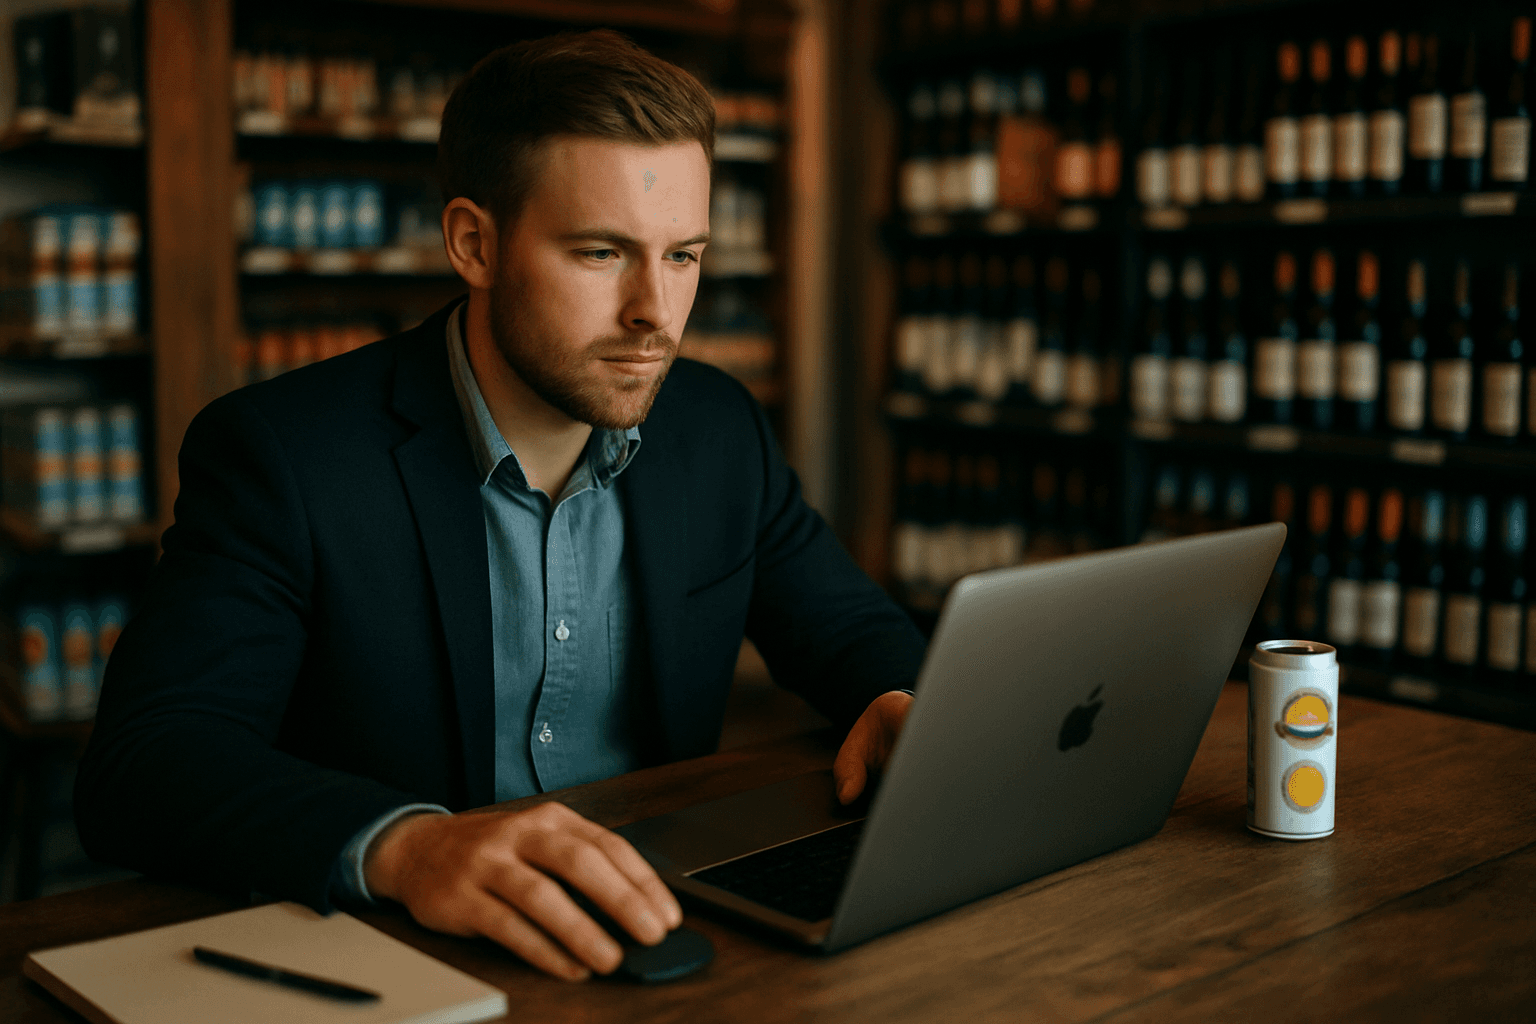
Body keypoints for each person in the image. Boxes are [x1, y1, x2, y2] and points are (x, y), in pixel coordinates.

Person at [74, 29, 926, 983]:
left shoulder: (717, 427)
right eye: (602, 253)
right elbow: (144, 766)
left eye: (683, 255)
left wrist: (897, 698)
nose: (657, 312)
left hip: (658, 938)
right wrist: (407, 846)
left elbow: (848, 626)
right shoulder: (284, 454)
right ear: (475, 245)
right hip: (403, 961)